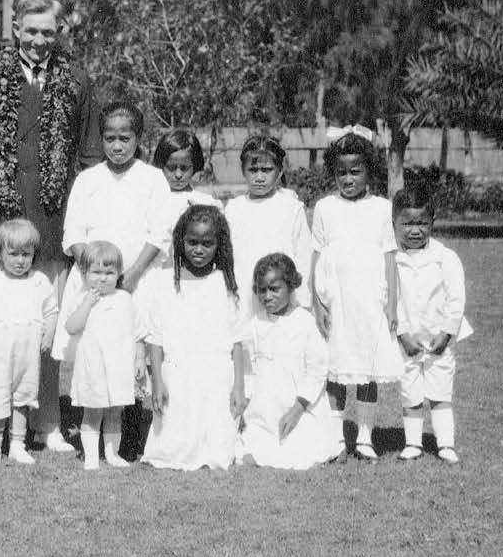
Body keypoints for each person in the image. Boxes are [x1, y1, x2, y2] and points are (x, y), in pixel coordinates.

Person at [0, 0, 102, 452]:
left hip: (52, 221)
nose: (40, 41)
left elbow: (91, 158)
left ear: (58, 33)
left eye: (49, 32)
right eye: (32, 31)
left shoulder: (76, 81)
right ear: (16, 29)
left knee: (46, 325)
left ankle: (48, 424)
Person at [310, 127, 402, 461]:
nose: (348, 179)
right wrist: (316, 301)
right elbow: (316, 256)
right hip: (336, 299)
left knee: (367, 366)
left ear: (369, 172)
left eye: (356, 171)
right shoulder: (324, 208)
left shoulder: (380, 208)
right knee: (336, 367)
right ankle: (336, 438)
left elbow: (390, 257)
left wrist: (392, 304)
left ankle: (364, 436)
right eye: (341, 173)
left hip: (369, 300)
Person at [50, 101, 166, 359]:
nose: (117, 146)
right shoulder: (87, 179)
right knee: (93, 350)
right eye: (109, 138)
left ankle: (135, 400)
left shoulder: (152, 178)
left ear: (138, 138)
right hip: (92, 277)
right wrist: (92, 271)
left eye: (124, 139)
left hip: (137, 277)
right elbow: (74, 233)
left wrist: (133, 275)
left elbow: (159, 233)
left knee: (136, 347)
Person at [140, 205, 246, 471]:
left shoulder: (224, 282)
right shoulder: (165, 282)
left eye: (207, 244)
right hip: (178, 372)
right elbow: (155, 338)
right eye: (192, 242)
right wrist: (158, 382)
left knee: (218, 447)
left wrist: (239, 386)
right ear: (181, 241)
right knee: (174, 442)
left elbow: (236, 340)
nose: (199, 250)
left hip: (216, 374)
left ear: (218, 245)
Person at [0, 219, 59, 464]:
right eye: (13, 254)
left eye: (26, 254)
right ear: (0, 253)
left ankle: (18, 443)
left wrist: (48, 335)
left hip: (27, 355)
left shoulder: (39, 282)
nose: (20, 260)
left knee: (23, 397)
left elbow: (51, 312)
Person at [391, 186, 472, 464]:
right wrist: (402, 333)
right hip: (407, 340)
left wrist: (447, 332)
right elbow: (391, 298)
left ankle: (445, 444)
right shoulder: (391, 259)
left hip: (438, 338)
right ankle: (413, 443)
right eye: (408, 223)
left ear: (432, 222)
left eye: (422, 223)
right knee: (410, 390)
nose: (415, 230)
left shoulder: (445, 257)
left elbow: (456, 297)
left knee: (439, 391)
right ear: (394, 223)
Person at [236, 253, 339, 470]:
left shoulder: (305, 323)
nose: (267, 296)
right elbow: (249, 369)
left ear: (290, 286)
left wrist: (297, 409)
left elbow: (317, 369)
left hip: (298, 406)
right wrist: (245, 404)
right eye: (262, 290)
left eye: (274, 289)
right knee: (252, 446)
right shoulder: (255, 325)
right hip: (263, 409)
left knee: (300, 450)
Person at [63, 240, 144, 470]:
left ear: (118, 273)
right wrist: (87, 304)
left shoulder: (125, 299)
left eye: (109, 272)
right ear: (85, 273)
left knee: (114, 412)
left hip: (119, 366)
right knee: (93, 411)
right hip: (93, 366)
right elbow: (71, 326)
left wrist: (139, 359)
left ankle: (112, 454)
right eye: (96, 272)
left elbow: (138, 333)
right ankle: (90, 456)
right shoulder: (83, 298)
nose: (103, 278)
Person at [223, 135, 313, 317]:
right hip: (243, 297)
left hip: (281, 300)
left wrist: (302, 305)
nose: (259, 177)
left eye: (266, 170)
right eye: (253, 170)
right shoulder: (234, 208)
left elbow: (304, 258)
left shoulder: (291, 208)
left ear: (279, 172)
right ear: (243, 171)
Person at [150, 129, 221, 270]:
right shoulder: (152, 200)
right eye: (171, 168)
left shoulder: (205, 202)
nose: (178, 174)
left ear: (194, 166)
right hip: (158, 274)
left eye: (184, 168)